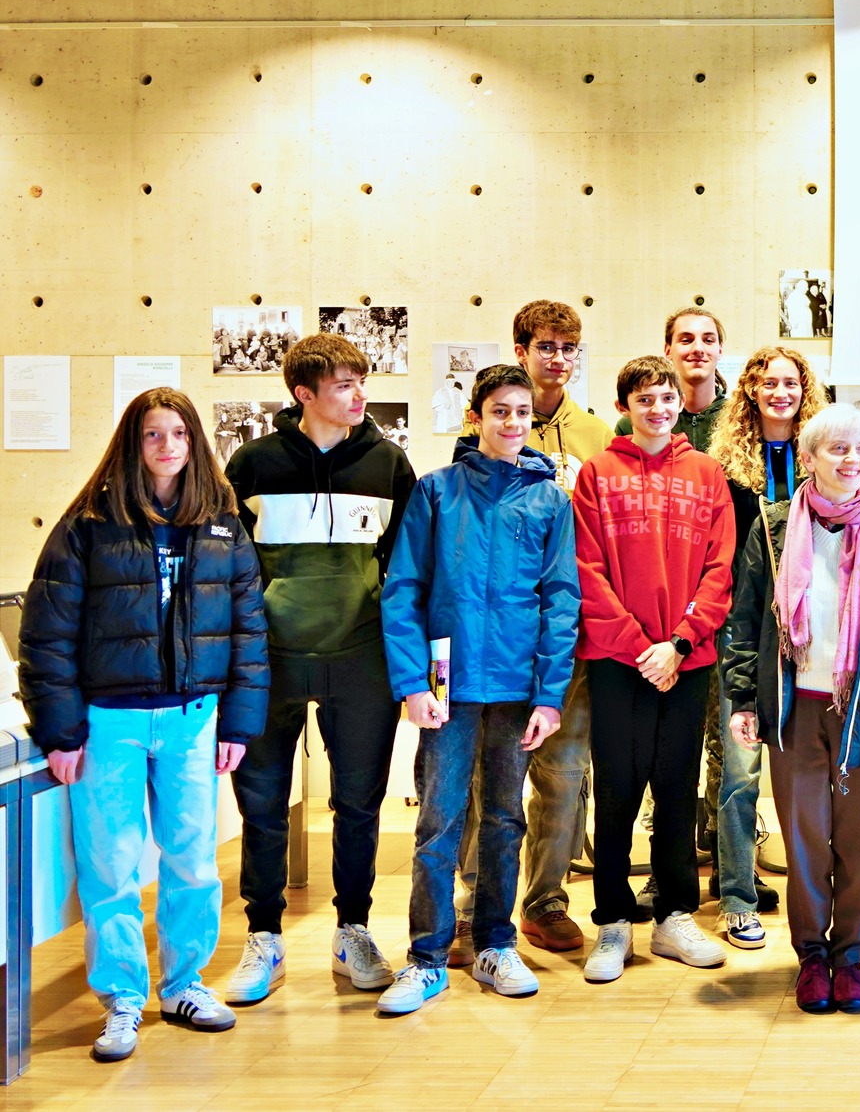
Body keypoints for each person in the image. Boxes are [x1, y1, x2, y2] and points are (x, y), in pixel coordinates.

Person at [18, 389, 268, 1061]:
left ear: (194, 443)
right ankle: (123, 997)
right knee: (111, 866)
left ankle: (184, 983)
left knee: (192, 859)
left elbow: (249, 630)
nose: (166, 446)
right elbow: (46, 633)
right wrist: (60, 730)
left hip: (192, 720)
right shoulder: (87, 524)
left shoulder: (221, 524)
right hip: (108, 724)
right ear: (132, 444)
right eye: (153, 434)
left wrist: (238, 722)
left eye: (178, 433)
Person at [377, 364, 580, 1014]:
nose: (513, 421)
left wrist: (550, 694)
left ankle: (496, 941)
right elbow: (403, 587)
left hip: (518, 688)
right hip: (449, 690)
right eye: (500, 410)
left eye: (522, 411)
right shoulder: (437, 493)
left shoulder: (550, 501)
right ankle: (427, 956)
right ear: (477, 416)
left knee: (504, 817)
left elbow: (560, 599)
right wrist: (413, 683)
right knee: (439, 820)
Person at [222, 334, 416, 1006]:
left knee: (358, 803)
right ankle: (264, 935)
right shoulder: (252, 463)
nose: (359, 395)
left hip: (361, 658)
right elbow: (228, 570)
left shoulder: (389, 464)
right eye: (343, 385)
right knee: (263, 804)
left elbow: (407, 570)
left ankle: (354, 930)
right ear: (305, 394)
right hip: (268, 659)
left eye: (361, 382)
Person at [723, 405, 860, 1016]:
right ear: (808, 458)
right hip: (794, 707)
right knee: (807, 837)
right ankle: (812, 954)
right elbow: (746, 616)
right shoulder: (774, 524)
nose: (850, 460)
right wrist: (742, 697)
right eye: (836, 449)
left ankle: (851, 955)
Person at [450, 300, 614, 960]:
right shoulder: (480, 433)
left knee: (566, 775)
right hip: (494, 639)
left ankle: (546, 902)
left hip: (569, 634)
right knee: (487, 780)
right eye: (545, 345)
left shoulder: (598, 436)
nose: (557, 358)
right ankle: (475, 903)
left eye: (568, 347)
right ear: (521, 350)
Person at [574, 357, 737, 982]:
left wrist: (679, 641)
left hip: (686, 658)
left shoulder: (707, 473)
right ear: (626, 405)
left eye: (667, 397)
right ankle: (613, 922)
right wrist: (640, 646)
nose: (659, 408)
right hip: (620, 661)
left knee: (676, 789)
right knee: (616, 788)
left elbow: (720, 569)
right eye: (645, 398)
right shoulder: (597, 474)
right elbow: (586, 569)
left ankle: (673, 916)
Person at [706, 345, 822, 946]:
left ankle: (820, 892)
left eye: (791, 382)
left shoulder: (821, 458)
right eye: (769, 382)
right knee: (740, 767)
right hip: (744, 626)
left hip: (812, 631)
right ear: (750, 389)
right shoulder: (723, 467)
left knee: (812, 766)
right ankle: (735, 896)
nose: (781, 392)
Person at [612, 305, 727, 450]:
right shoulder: (633, 423)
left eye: (708, 340)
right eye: (686, 340)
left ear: (720, 350)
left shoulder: (743, 419)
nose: (698, 348)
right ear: (668, 350)